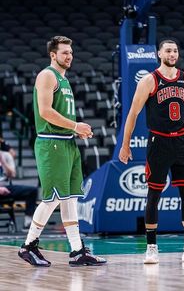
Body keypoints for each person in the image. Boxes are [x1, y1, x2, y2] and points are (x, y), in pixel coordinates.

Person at [119, 40, 184, 263]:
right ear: (159, 53)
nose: (172, 54)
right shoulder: (149, 80)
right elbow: (132, 114)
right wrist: (125, 144)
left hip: (181, 142)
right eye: (168, 50)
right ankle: (151, 246)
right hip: (158, 142)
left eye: (175, 50)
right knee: (154, 194)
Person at [18, 36, 106, 267]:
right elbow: (45, 112)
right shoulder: (47, 75)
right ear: (53, 55)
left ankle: (78, 250)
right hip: (51, 143)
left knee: (69, 199)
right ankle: (28, 246)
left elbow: (60, 116)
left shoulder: (64, 80)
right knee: (53, 198)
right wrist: (75, 125)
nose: (69, 56)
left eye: (71, 52)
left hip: (67, 142)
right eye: (64, 52)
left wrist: (75, 131)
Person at [0, 152, 37, 230]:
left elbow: (12, 174)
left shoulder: (6, 155)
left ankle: (28, 222)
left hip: (7, 187)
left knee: (32, 191)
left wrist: (3, 162)